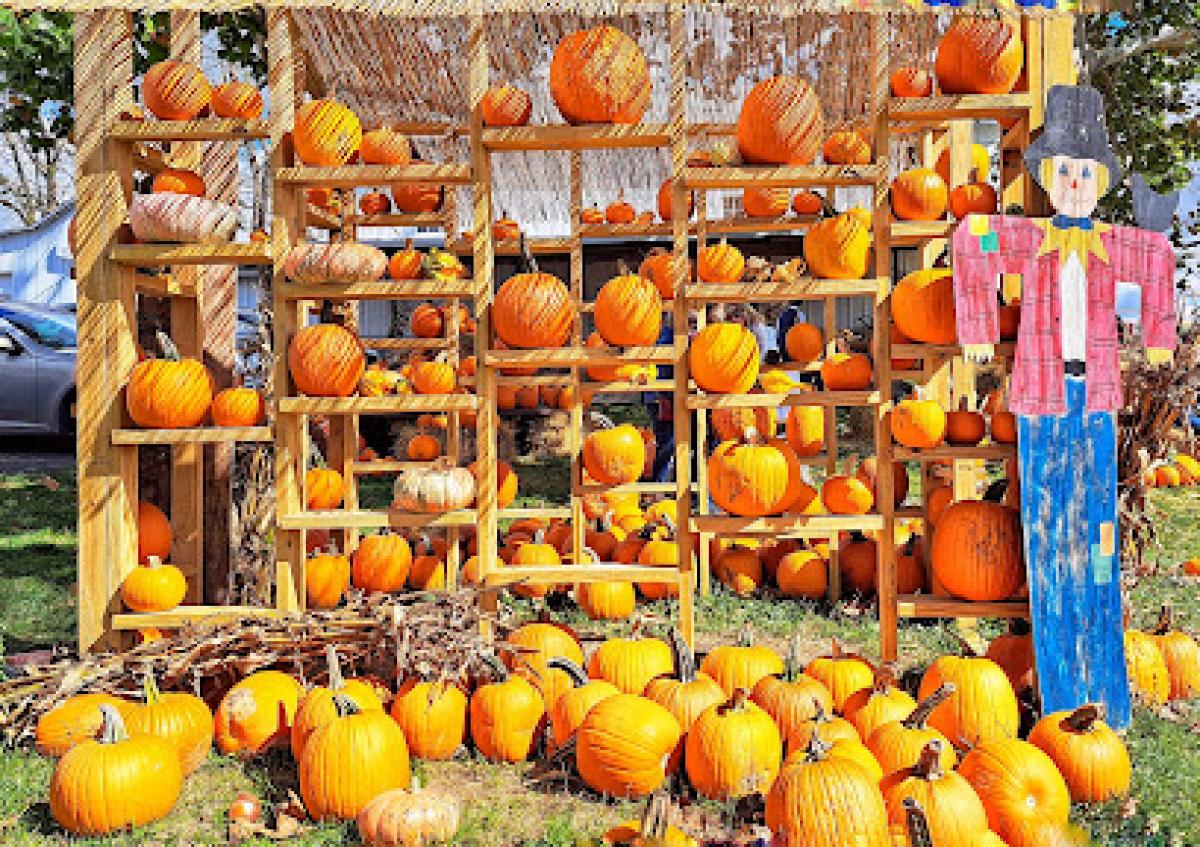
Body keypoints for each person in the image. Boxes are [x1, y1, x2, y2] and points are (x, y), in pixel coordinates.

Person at [953, 84, 1178, 729]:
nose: (1075, 184)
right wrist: (977, 324)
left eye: (1086, 174)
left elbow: (1159, 256)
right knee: (1049, 532)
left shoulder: (1114, 243)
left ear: (1100, 182)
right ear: (1047, 178)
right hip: (1043, 399)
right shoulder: (1030, 239)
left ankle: (1105, 689)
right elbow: (971, 240)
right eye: (1065, 173)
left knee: (1098, 533)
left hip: (1096, 398)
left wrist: (1158, 336)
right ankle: (1059, 693)